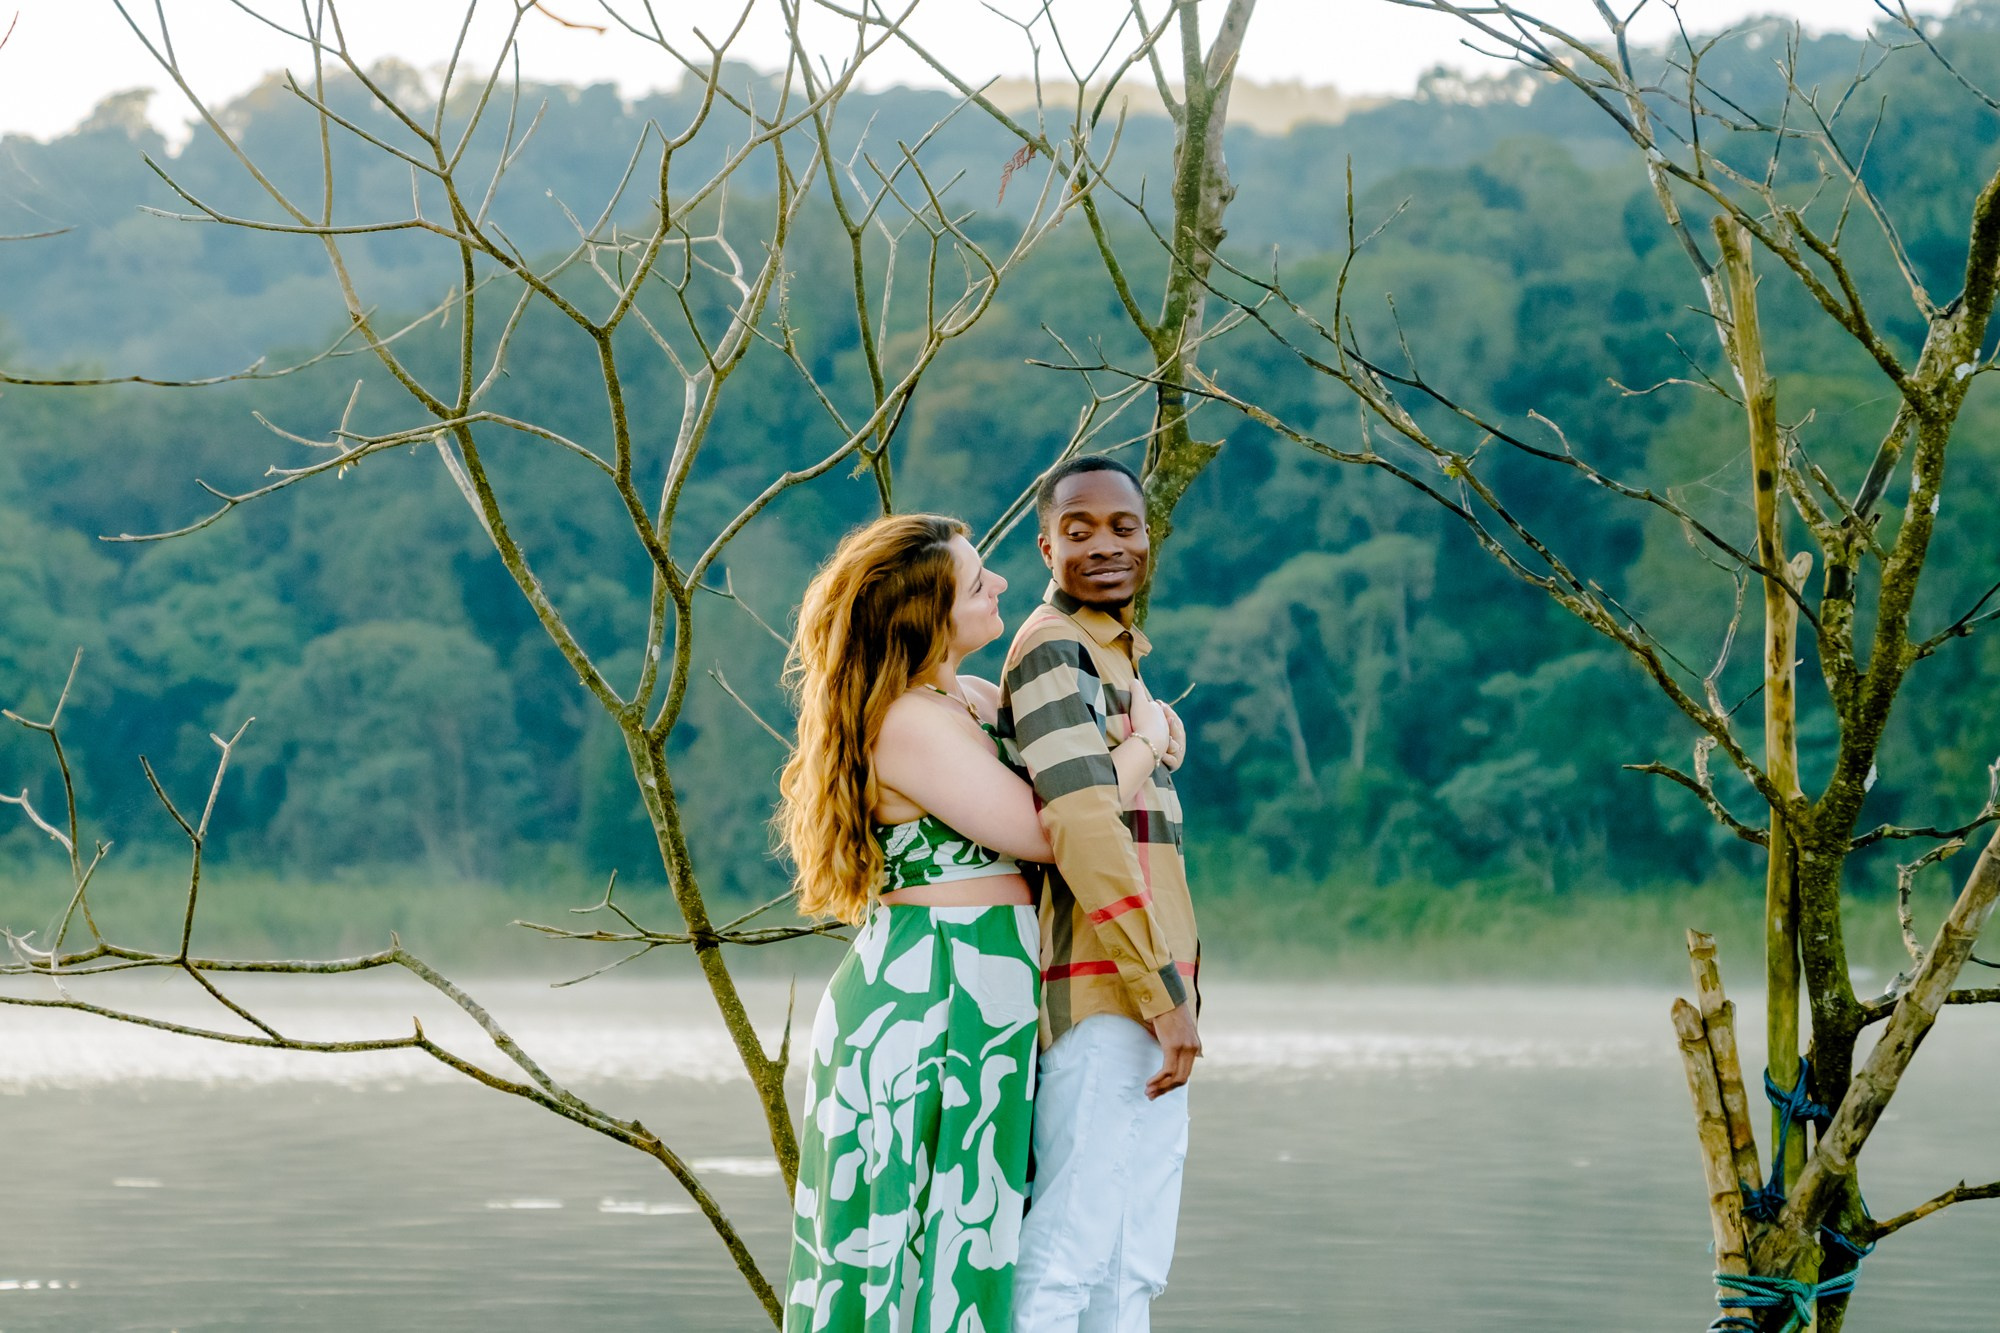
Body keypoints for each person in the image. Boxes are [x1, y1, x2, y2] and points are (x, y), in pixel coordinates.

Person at [776, 513, 1174, 1333]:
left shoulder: (973, 699)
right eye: (975, 581)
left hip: (988, 993)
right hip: (918, 995)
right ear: (928, 616)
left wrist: (1134, 734)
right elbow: (1045, 826)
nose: (998, 584)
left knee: (977, 1232)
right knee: (877, 1243)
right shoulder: (907, 720)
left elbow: (1078, 771)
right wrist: (1148, 742)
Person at [1000, 456, 1199, 1333]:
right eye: (1078, 531)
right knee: (1071, 1255)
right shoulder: (1054, 648)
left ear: (1148, 538)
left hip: (1147, 991)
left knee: (1131, 1261)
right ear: (1047, 545)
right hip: (1106, 991)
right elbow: (1080, 826)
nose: (1105, 545)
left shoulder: (1117, 661)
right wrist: (1163, 997)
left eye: (1123, 526)